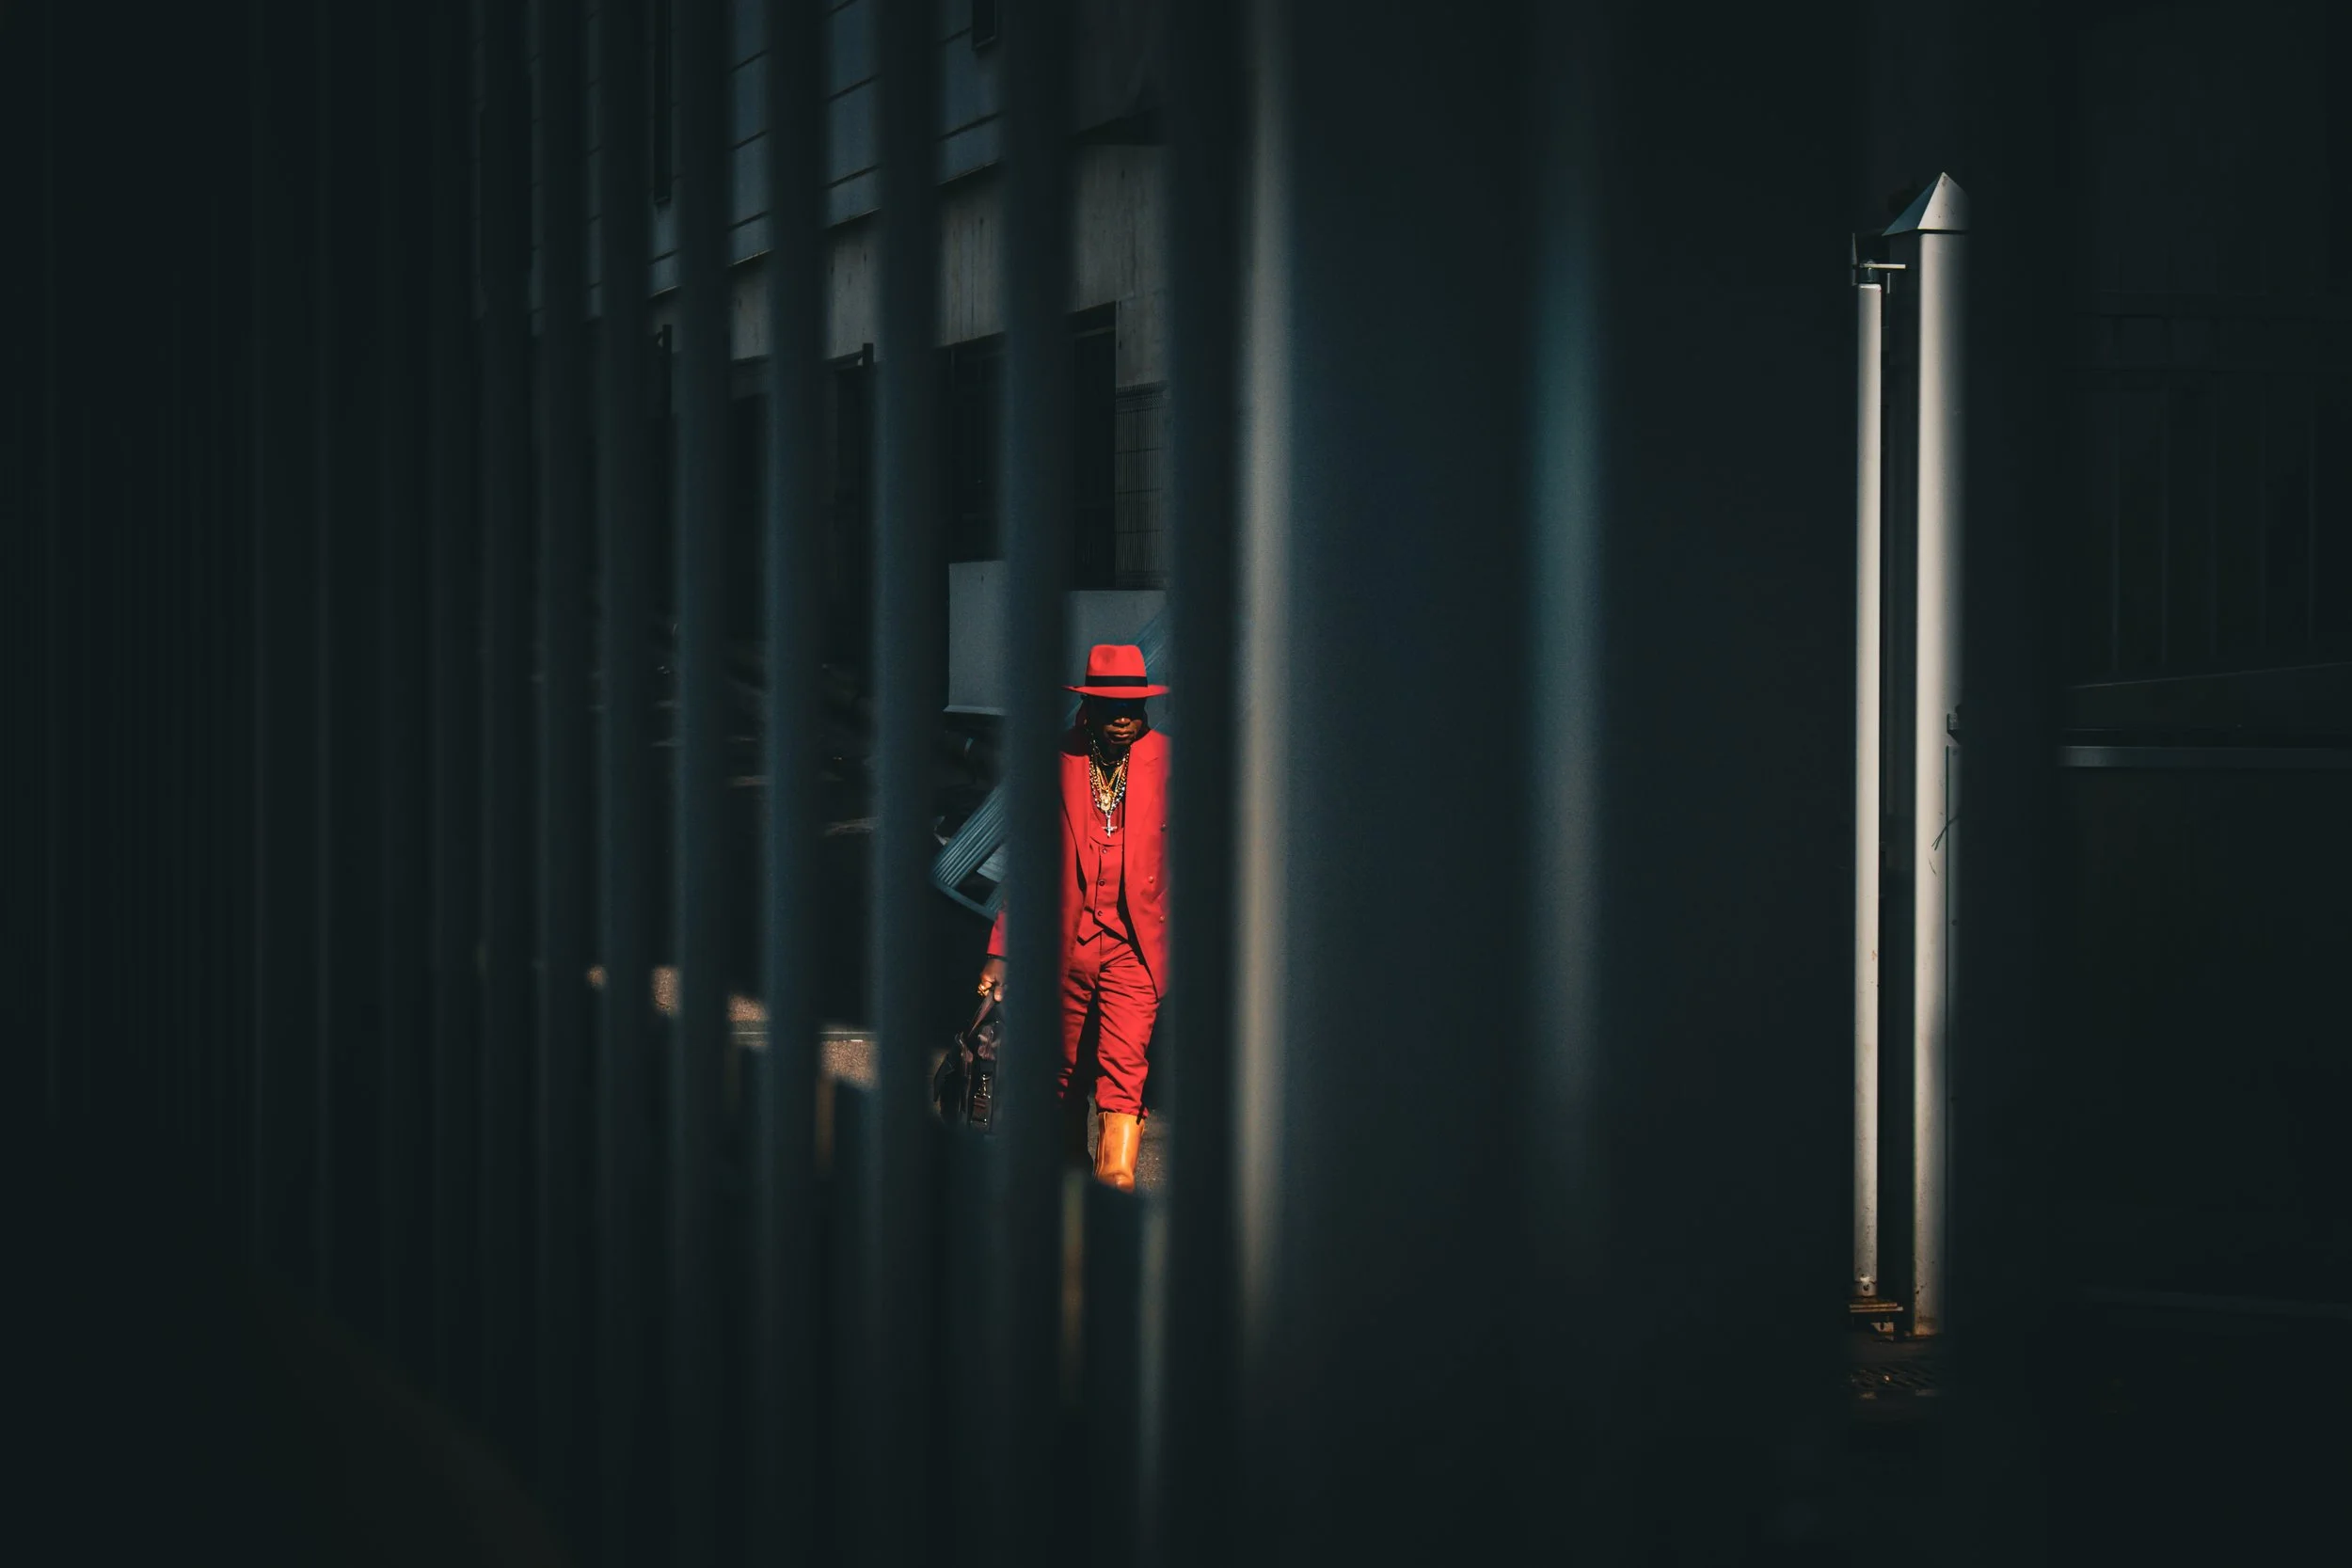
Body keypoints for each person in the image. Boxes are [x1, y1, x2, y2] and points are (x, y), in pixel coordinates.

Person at [976, 643, 1168, 1191]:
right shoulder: (1054, 761)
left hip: (1136, 949)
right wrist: (1002, 948)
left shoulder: (1170, 764)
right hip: (1067, 945)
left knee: (1123, 1071)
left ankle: (1116, 1187)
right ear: (1088, 707)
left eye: (1134, 706)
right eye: (1112, 707)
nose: (1125, 718)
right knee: (1063, 1075)